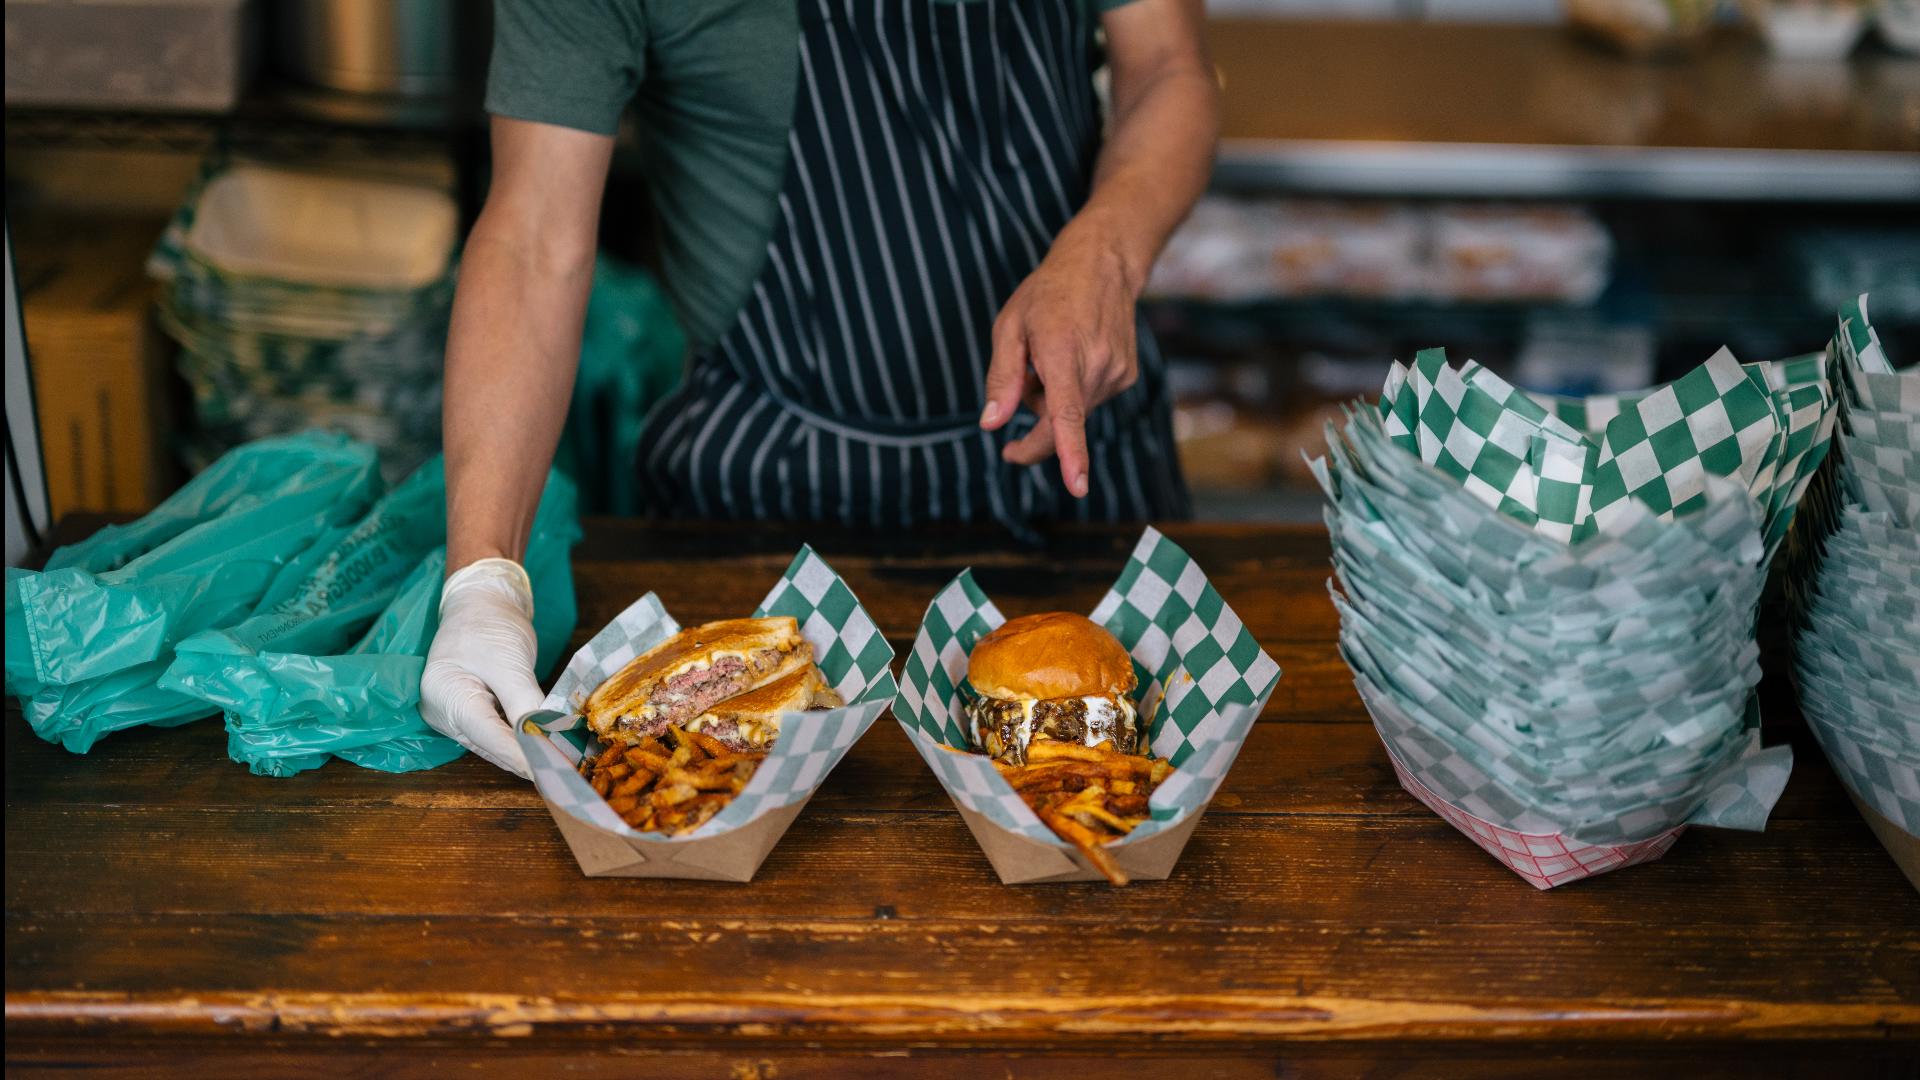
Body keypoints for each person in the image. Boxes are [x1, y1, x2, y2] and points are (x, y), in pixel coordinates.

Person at [421, 0, 1219, 776]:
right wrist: (483, 576)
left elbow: (1169, 67)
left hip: (1070, 456)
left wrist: (1107, 253)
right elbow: (532, 241)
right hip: (763, 510)